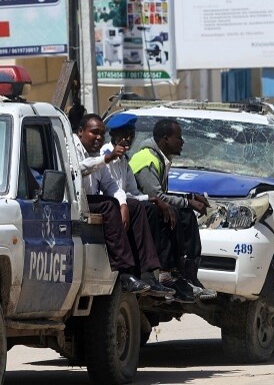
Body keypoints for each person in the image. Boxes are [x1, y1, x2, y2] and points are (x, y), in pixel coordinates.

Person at [74, 114, 173, 297]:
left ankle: (148, 272)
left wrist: (124, 204)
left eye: (101, 134)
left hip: (95, 201)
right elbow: (80, 169)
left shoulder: (114, 157)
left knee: (136, 206)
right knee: (111, 205)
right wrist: (107, 158)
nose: (98, 138)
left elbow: (112, 185)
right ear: (80, 132)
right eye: (94, 132)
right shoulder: (75, 148)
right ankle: (124, 272)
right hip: (77, 202)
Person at [130, 118, 217, 302]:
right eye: (179, 137)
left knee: (184, 214)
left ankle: (187, 276)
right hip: (140, 213)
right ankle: (167, 276)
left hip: (148, 207)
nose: (182, 142)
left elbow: (163, 194)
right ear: (165, 139)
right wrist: (187, 202)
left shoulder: (159, 157)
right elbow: (156, 195)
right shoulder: (147, 159)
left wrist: (190, 198)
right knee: (175, 212)